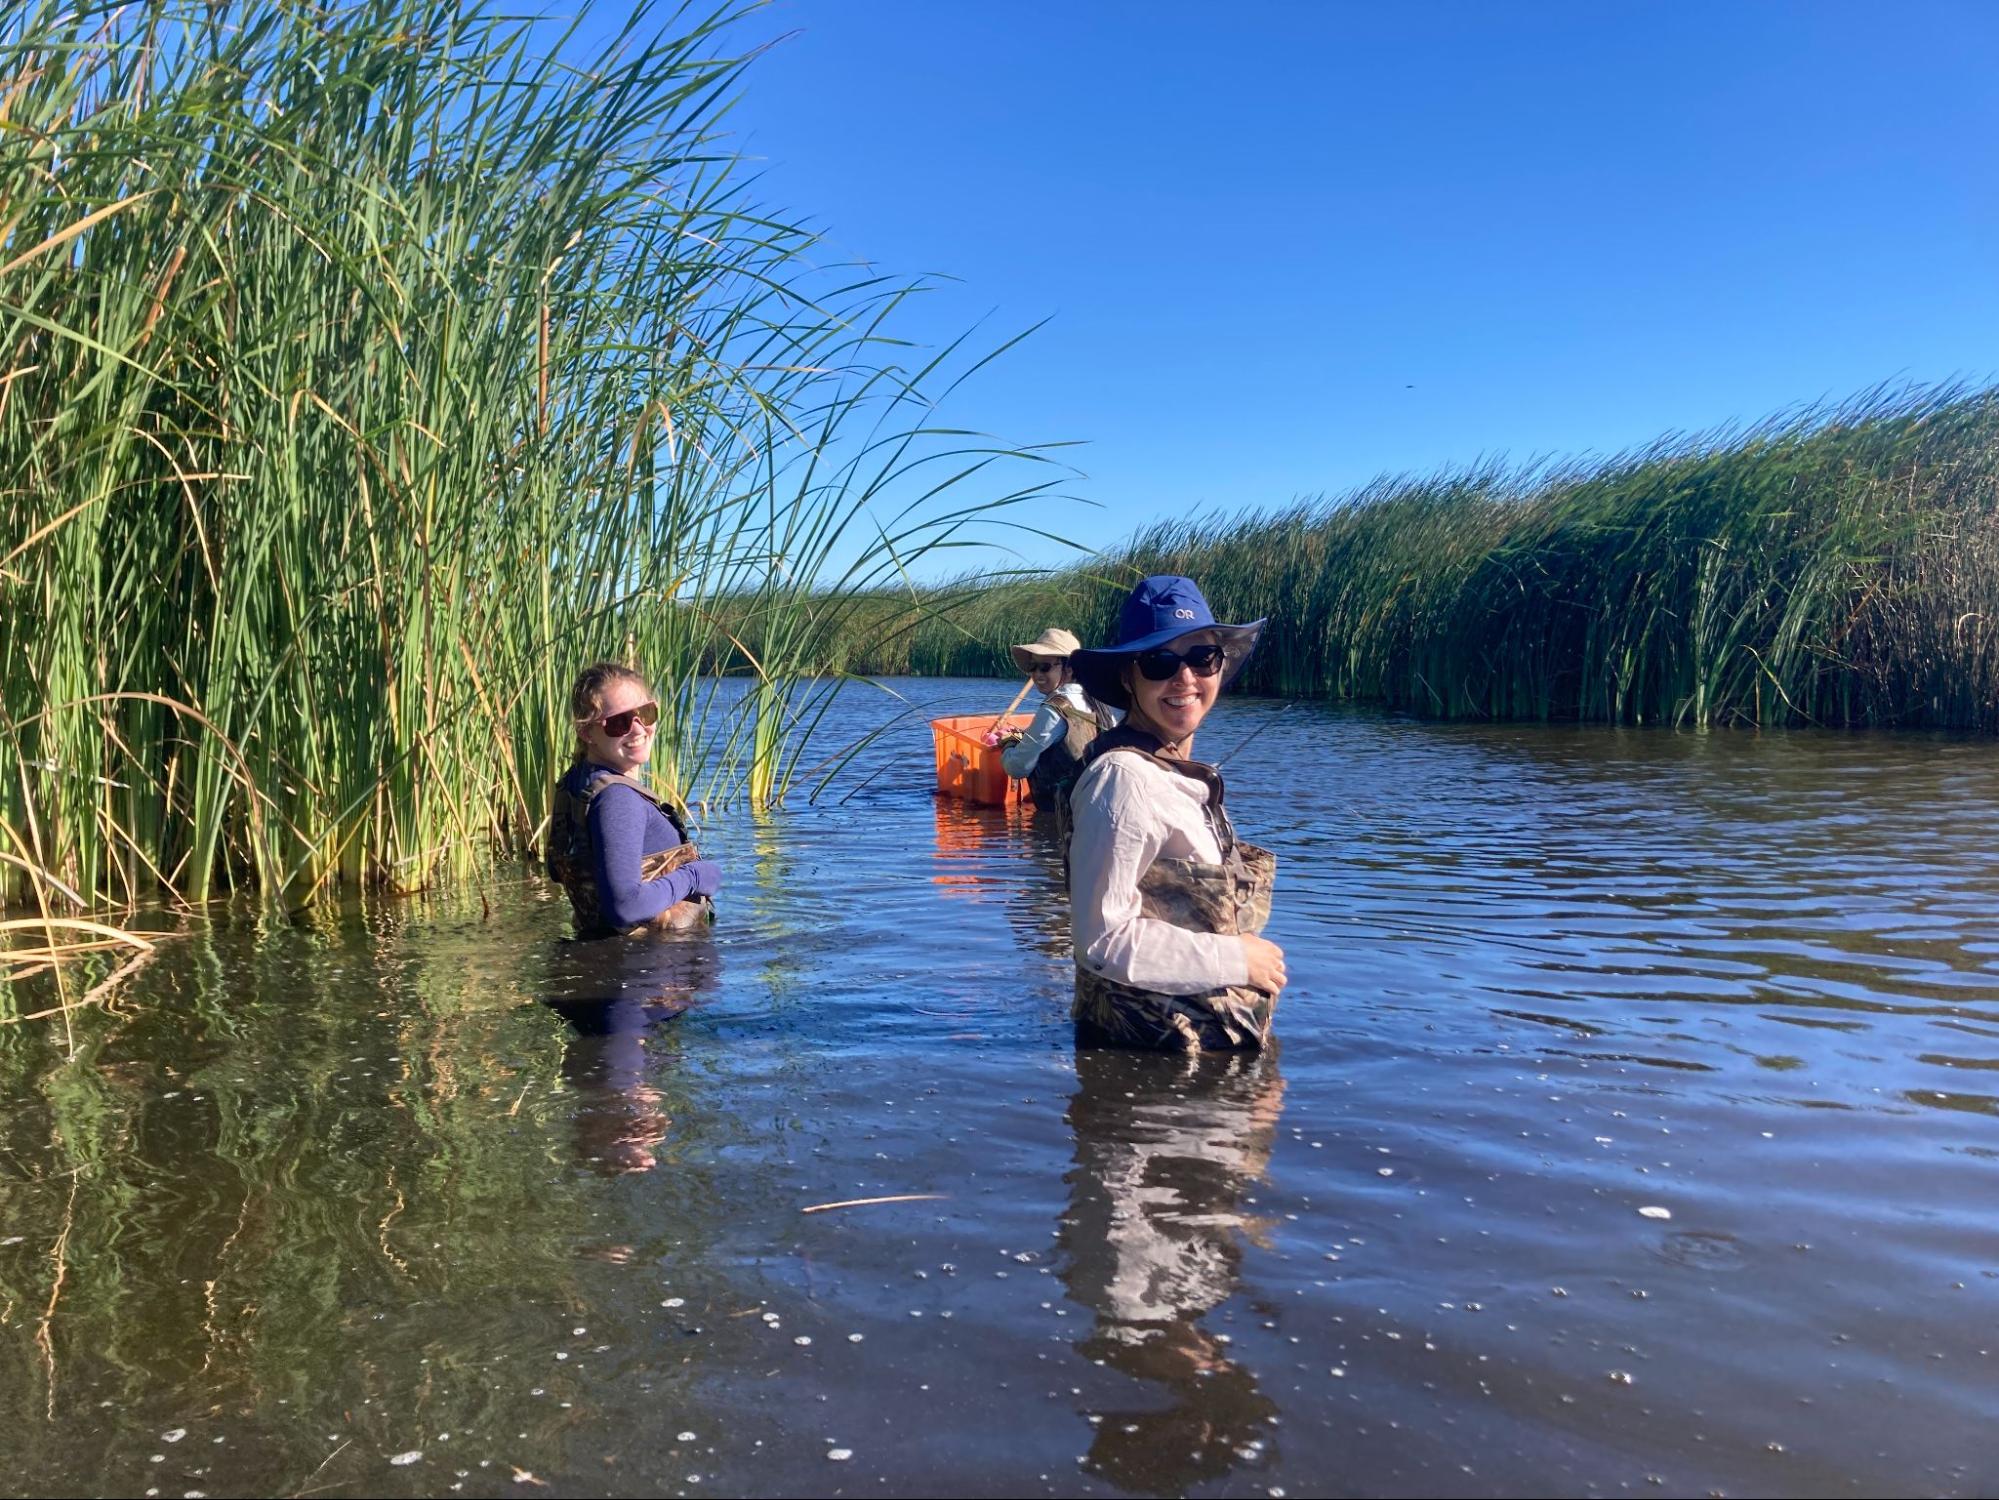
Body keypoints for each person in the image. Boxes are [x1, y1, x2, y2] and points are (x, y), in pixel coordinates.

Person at [1066, 577, 1287, 1050]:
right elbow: (1101, 942)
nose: (1184, 677)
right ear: (1128, 676)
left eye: (1201, 657)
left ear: (1219, 665)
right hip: (1152, 1067)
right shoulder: (1123, 779)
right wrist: (1238, 961)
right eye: (1159, 661)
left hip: (1203, 1058)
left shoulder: (1173, 774)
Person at [547, 661, 722, 938]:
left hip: (600, 960)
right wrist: (694, 877)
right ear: (586, 731)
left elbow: (558, 871)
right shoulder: (618, 798)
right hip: (646, 968)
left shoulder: (574, 784)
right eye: (619, 722)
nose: (639, 729)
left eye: (645, 713)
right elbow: (625, 907)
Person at [998, 627, 1120, 809]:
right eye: (1033, 666)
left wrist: (1008, 744)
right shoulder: (1101, 700)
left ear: (1069, 669)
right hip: (1098, 805)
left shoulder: (1053, 710)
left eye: (1045, 667)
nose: (1037, 674)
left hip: (1063, 815)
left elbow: (1018, 767)